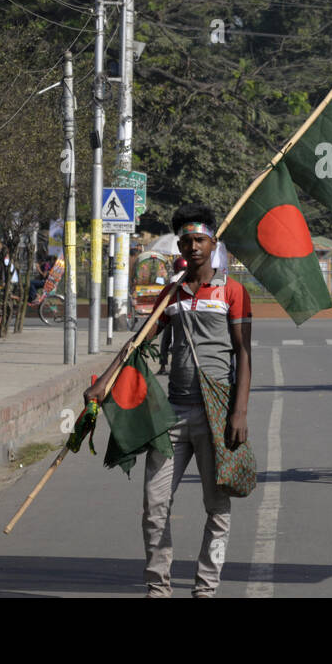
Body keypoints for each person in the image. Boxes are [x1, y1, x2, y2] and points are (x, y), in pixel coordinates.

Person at [85, 204, 252, 598]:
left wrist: (239, 412)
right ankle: (158, 588)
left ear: (213, 243)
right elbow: (138, 342)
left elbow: (244, 353)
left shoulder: (232, 291)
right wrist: (104, 382)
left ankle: (206, 588)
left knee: (217, 507)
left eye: (200, 240)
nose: (194, 246)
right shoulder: (172, 293)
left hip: (217, 413)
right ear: (179, 244)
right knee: (154, 506)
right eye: (187, 241)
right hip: (172, 416)